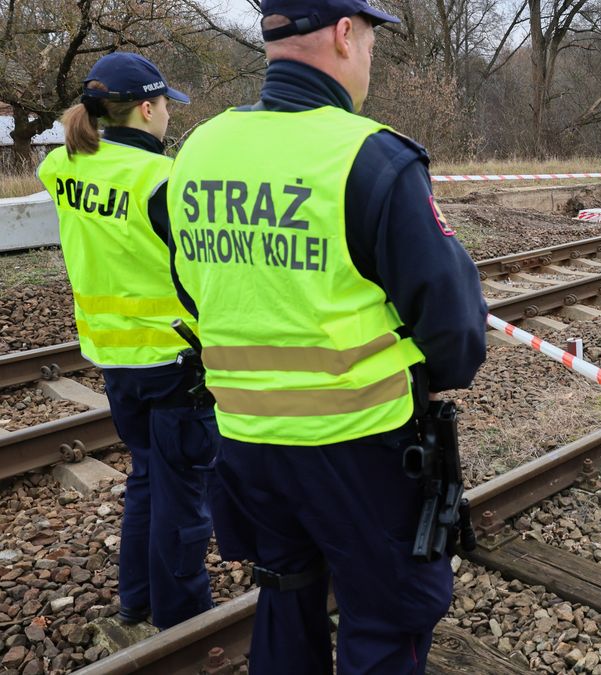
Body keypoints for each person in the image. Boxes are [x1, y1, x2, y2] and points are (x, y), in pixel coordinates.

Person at [164, 0, 488, 671]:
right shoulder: (369, 157)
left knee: (286, 587)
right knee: (392, 608)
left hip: (245, 439)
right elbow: (456, 332)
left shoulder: (198, 149)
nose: (369, 53)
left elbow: (195, 285)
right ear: (344, 34)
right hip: (358, 447)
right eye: (370, 38)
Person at [37, 52, 218, 628]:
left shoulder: (64, 167)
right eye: (166, 106)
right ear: (147, 108)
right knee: (183, 495)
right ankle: (183, 620)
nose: (169, 116)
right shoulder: (162, 179)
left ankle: (137, 599)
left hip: (112, 357)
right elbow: (199, 271)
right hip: (172, 359)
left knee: (147, 477)